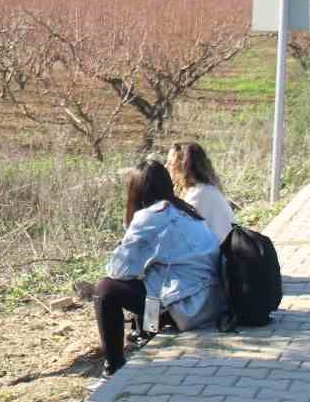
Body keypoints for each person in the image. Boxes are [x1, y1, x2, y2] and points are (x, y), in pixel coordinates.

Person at [93, 161, 223, 377]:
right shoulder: (184, 210)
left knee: (106, 290)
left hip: (189, 307)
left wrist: (122, 247)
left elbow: (118, 270)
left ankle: (113, 367)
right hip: (212, 298)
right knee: (147, 280)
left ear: (136, 191)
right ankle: (149, 334)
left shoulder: (150, 216)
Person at [166, 140, 234, 244]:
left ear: (182, 166)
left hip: (220, 257)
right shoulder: (205, 189)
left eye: (170, 162)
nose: (166, 166)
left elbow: (182, 237)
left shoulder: (199, 194)